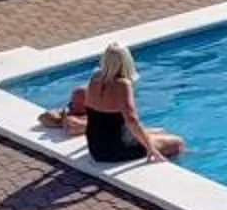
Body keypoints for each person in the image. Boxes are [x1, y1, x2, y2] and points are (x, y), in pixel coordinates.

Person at [40, 42, 185, 163]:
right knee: (177, 143)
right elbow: (132, 120)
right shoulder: (123, 84)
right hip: (115, 149)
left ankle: (153, 142)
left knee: (159, 130)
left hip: (96, 147)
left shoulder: (95, 78)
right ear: (126, 62)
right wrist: (151, 149)